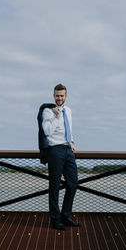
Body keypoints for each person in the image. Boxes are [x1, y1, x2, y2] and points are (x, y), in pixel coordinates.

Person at [41, 83, 81, 230]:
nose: (59, 98)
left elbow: (69, 127)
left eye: (62, 95)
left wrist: (72, 141)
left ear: (66, 96)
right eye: (57, 95)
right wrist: (57, 116)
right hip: (55, 151)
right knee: (54, 187)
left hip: (68, 150)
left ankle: (65, 214)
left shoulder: (69, 110)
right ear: (53, 96)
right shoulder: (48, 111)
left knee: (73, 183)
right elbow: (47, 132)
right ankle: (55, 219)